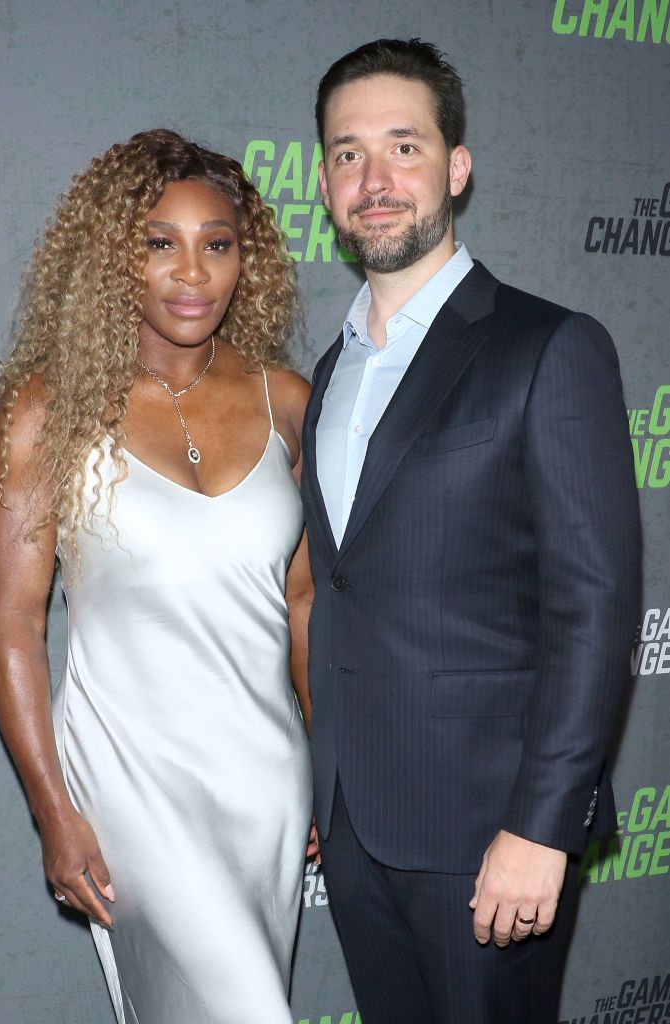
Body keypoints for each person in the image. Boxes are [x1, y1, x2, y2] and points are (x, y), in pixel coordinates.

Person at [301, 39, 641, 1024]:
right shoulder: (329, 372)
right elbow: (341, 591)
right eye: (348, 153)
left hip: (490, 836)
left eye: (403, 147)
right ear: (323, 183)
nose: (374, 179)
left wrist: (541, 828)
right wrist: (323, 787)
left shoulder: (547, 346)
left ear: (456, 167)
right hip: (354, 826)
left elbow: (594, 607)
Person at [0, 128, 314, 1024]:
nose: (192, 272)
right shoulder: (47, 409)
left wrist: (329, 762)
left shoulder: (287, 402)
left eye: (218, 244)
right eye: (159, 242)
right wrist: (53, 809)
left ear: (246, 261)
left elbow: (304, 600)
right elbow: (14, 625)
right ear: (111, 259)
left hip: (265, 782)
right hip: (129, 781)